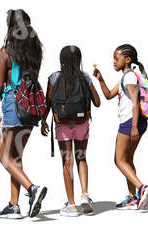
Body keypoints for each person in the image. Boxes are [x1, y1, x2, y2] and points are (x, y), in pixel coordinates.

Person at [0, 9, 47, 219]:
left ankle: (32, 189)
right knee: (16, 158)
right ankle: (14, 205)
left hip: (12, 104)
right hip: (31, 107)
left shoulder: (6, 52)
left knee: (4, 157)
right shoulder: (35, 50)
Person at [41, 45, 101, 217]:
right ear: (79, 59)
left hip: (63, 125)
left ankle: (72, 205)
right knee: (81, 157)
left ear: (61, 60)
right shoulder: (85, 77)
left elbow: (48, 102)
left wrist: (43, 120)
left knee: (67, 162)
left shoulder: (54, 78)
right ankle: (84, 195)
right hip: (82, 123)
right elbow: (97, 102)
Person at [93, 44, 148, 210]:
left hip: (130, 122)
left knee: (118, 160)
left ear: (127, 60)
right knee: (127, 160)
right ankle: (133, 196)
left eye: (116, 58)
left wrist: (133, 126)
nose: (113, 61)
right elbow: (108, 95)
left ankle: (142, 188)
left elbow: (134, 102)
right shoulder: (126, 77)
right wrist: (101, 80)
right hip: (134, 122)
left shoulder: (129, 78)